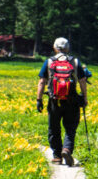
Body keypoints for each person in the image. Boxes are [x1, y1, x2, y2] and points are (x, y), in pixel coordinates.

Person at [36, 37, 87, 167]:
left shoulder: (49, 62)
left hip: (54, 101)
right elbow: (82, 81)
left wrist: (39, 99)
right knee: (70, 127)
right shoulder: (74, 62)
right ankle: (67, 149)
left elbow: (42, 81)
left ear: (54, 47)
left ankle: (57, 156)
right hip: (72, 100)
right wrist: (84, 98)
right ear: (67, 48)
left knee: (54, 128)